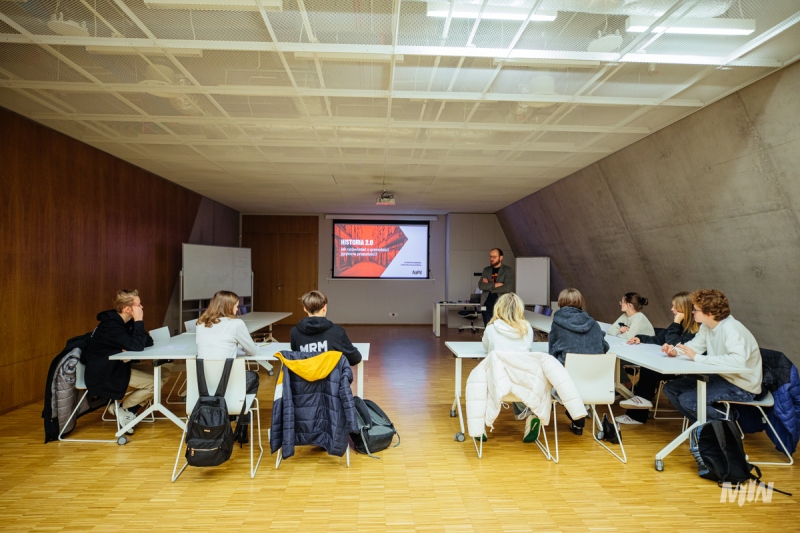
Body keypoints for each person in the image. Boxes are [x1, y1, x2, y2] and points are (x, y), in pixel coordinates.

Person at [663, 289, 762, 424]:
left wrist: (698, 357)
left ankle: (728, 419)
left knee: (688, 400)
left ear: (709, 313)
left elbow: (737, 361)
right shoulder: (707, 326)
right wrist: (675, 351)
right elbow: (695, 346)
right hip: (723, 376)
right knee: (670, 389)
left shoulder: (731, 329)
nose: (692, 312)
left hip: (742, 385)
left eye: (695, 310)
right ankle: (707, 427)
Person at [84, 289, 169, 431]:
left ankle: (129, 411)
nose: (142, 308)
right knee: (155, 383)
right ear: (127, 308)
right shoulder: (110, 326)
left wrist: (136, 327)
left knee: (164, 372)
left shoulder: (127, 322)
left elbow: (147, 342)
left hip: (119, 366)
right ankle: (121, 408)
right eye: (139, 305)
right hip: (105, 373)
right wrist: (138, 322)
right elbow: (138, 345)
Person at [615, 292, 699, 425]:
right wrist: (641, 338)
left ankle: (638, 412)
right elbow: (660, 339)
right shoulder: (680, 324)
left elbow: (675, 344)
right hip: (673, 364)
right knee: (649, 367)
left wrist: (676, 322)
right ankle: (639, 407)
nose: (671, 309)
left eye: (674, 307)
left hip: (686, 369)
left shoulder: (694, 329)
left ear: (684, 309)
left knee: (650, 370)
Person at [195, 290, 259, 441]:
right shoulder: (236, 324)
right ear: (228, 307)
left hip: (203, 386)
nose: (237, 309)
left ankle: (227, 417)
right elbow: (253, 351)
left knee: (241, 380)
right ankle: (242, 426)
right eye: (236, 306)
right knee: (253, 377)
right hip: (226, 385)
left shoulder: (200, 324)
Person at [547, 288, 606, 435]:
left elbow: (552, 354)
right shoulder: (594, 324)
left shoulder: (557, 325)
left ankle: (573, 412)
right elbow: (603, 348)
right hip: (595, 382)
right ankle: (578, 415)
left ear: (561, 303)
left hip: (567, 383)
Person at [480, 292, 537, 442]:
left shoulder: (491, 328)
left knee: (481, 379)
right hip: (522, 383)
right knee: (518, 375)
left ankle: (481, 424)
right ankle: (530, 416)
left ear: (498, 308)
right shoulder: (527, 329)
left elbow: (486, 348)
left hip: (497, 382)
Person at [290, 290, 362, 367]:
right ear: (324, 307)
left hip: (304, 377)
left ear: (305, 309)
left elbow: (297, 354)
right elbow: (355, 358)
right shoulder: (337, 332)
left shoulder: (295, 332)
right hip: (331, 378)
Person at [478, 248, 514, 325]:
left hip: (501, 304)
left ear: (501, 257)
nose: (491, 259)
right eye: (490, 256)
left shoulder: (507, 270)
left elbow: (507, 288)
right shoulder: (486, 270)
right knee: (488, 327)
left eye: (494, 257)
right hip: (486, 303)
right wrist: (495, 285)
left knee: (500, 327)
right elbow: (481, 285)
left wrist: (490, 287)